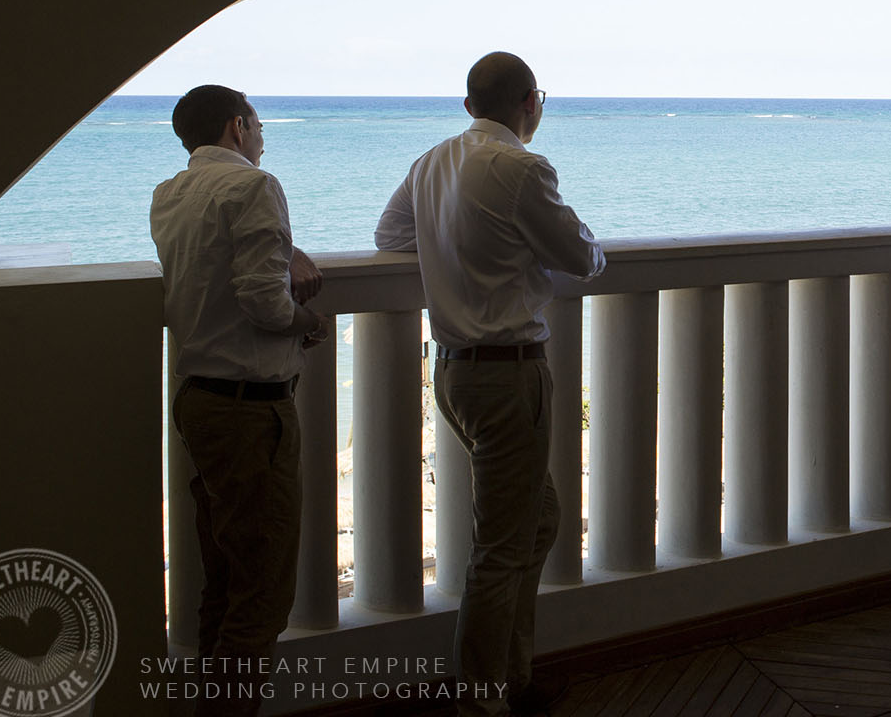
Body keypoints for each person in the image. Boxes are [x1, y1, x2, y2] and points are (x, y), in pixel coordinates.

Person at [375, 52, 605, 717]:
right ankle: (483, 699)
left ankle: (511, 673)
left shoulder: (433, 162)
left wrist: (456, 252)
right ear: (532, 103)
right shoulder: (522, 168)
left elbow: (390, 235)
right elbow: (581, 256)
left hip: (452, 371)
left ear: (469, 104)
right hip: (509, 376)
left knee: (539, 521)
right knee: (503, 545)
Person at [152, 85, 330, 717]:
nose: (262, 136)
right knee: (261, 591)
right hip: (251, 411)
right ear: (237, 127)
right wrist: (306, 323)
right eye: (257, 124)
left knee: (224, 579)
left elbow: (220, 264)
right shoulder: (255, 185)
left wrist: (290, 250)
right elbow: (261, 299)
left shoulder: (170, 193)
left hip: (198, 398)